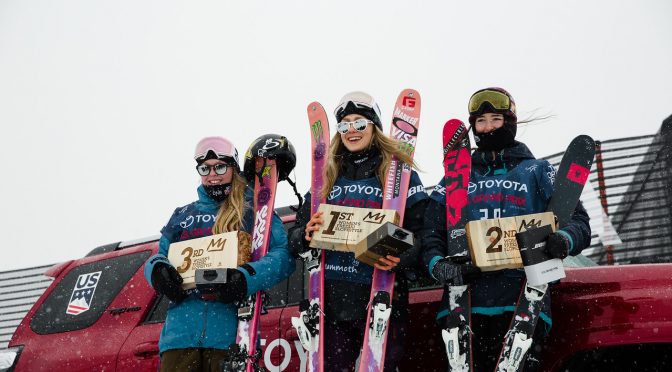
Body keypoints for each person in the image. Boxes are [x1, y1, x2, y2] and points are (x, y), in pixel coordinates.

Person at [421, 87, 591, 371]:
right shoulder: (456, 176)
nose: (488, 127)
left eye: (495, 119)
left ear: (509, 122)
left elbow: (578, 221)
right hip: (465, 304)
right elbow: (431, 233)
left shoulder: (536, 170)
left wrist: (563, 239)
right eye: (481, 121)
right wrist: (440, 266)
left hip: (524, 298)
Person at [288, 91, 429, 371]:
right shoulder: (326, 177)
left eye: (360, 123)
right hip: (331, 303)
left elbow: (422, 234)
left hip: (381, 296)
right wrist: (306, 234)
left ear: (374, 127)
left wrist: (403, 253)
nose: (352, 130)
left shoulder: (398, 174)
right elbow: (295, 239)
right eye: (344, 125)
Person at [143, 136, 295, 372]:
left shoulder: (253, 209)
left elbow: (283, 257)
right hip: (179, 337)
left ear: (233, 167)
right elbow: (158, 256)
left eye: (220, 167)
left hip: (231, 334)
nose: (212, 174)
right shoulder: (183, 215)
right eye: (205, 168)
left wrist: (246, 278)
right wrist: (158, 271)